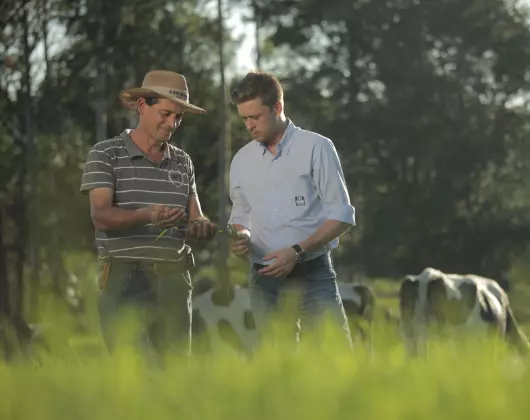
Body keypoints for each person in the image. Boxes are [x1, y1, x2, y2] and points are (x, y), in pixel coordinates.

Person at [80, 70, 216, 362]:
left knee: (176, 378)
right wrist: (147, 215)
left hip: (175, 280)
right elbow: (101, 216)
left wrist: (202, 227)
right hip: (125, 280)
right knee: (135, 374)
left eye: (179, 117)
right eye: (166, 114)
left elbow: (196, 217)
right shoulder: (105, 155)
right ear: (142, 106)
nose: (172, 124)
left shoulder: (183, 161)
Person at [227, 71, 355, 349]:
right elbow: (240, 215)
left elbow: (342, 215)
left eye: (255, 117)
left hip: (313, 273)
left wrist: (297, 251)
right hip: (263, 279)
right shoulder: (241, 160)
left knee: (335, 359)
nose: (249, 126)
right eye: (244, 119)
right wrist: (242, 237)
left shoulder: (317, 147)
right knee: (278, 369)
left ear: (278, 108)